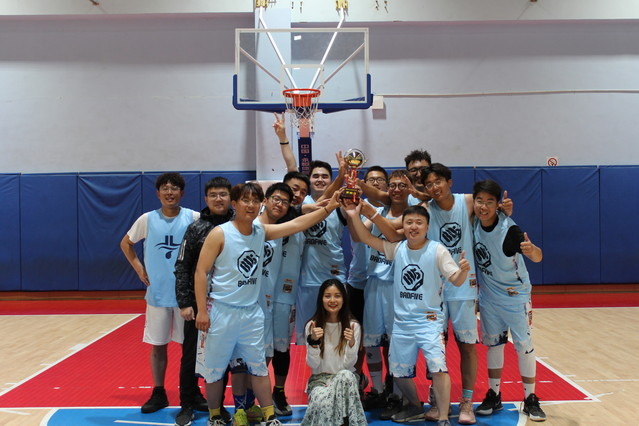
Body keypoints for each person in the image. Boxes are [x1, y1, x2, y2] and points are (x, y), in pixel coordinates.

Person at [194, 182, 342, 426]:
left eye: (255, 201)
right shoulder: (220, 233)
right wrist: (201, 310)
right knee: (215, 370)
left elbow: (297, 224)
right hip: (222, 311)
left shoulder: (260, 232)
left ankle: (269, 416)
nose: (251, 205)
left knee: (258, 367)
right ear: (234, 204)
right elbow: (201, 272)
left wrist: (330, 207)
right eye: (245, 200)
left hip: (252, 313)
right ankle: (215, 417)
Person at [345, 203, 470, 426]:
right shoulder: (398, 249)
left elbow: (456, 280)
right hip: (402, 323)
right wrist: (354, 215)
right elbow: (366, 238)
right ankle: (414, 405)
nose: (414, 227)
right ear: (403, 226)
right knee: (399, 373)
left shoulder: (437, 250)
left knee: (438, 368)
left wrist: (463, 272)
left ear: (427, 227)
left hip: (430, 322)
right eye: (409, 222)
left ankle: (443, 417)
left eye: (419, 223)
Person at [120, 172, 199, 413]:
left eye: (174, 188)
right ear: (158, 193)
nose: (169, 192)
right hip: (157, 295)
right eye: (165, 188)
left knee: (190, 349)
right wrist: (139, 268)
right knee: (158, 345)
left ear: (182, 193)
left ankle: (191, 391)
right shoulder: (147, 219)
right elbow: (126, 243)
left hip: (186, 297)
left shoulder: (193, 217)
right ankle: (158, 392)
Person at [471, 179, 546, 422]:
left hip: (515, 296)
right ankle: (494, 395)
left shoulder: (510, 230)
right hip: (489, 296)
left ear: (497, 205)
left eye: (489, 202)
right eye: (479, 201)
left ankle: (530, 398)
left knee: (524, 345)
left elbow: (538, 257)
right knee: (494, 345)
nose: (483, 206)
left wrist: (532, 250)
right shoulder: (473, 223)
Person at [173, 177, 234, 425]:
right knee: (190, 356)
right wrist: (185, 303)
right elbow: (182, 267)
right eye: (213, 195)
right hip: (198, 305)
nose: (219, 199)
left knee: (223, 357)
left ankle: (216, 405)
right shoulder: (195, 228)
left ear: (231, 198)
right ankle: (186, 404)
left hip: (227, 304)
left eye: (223, 194)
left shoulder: (238, 225)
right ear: (206, 199)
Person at [271, 171, 311, 416]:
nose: (297, 194)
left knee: (282, 348)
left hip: (286, 297)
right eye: (294, 189)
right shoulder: (262, 220)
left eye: (303, 192)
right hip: (258, 296)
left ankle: (278, 391)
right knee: (256, 349)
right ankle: (251, 398)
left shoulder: (302, 222)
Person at [302, 279, 367, 426]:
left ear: (344, 299)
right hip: (319, 381)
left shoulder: (353, 326)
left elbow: (348, 366)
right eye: (327, 296)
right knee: (324, 403)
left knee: (346, 375)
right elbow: (313, 364)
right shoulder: (312, 326)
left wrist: (351, 344)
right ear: (321, 299)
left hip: (344, 382)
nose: (332, 300)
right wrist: (313, 342)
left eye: (337, 296)